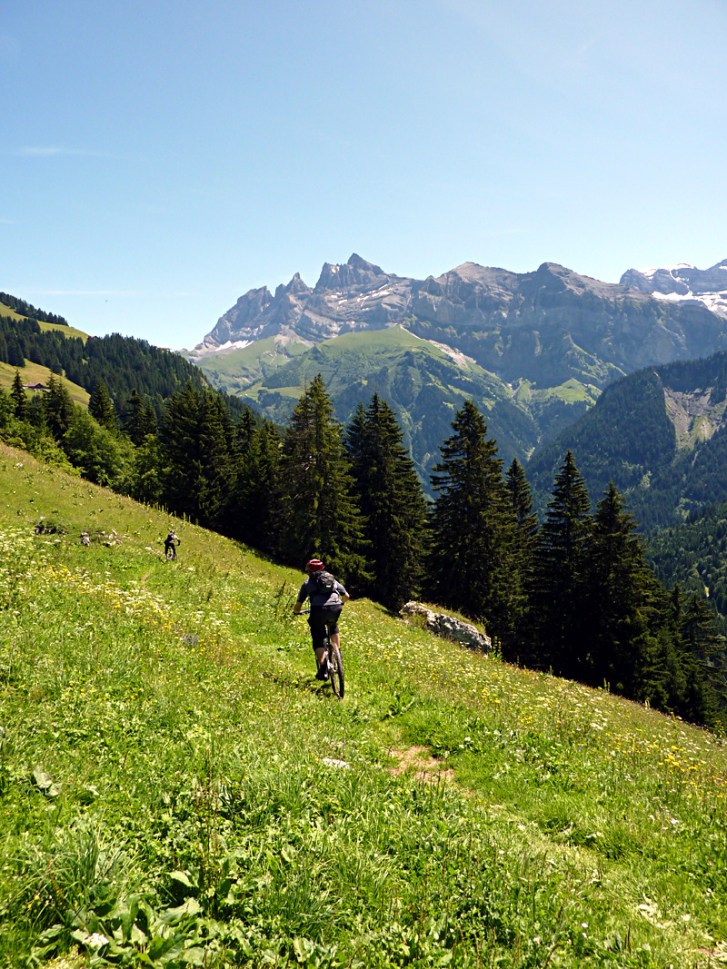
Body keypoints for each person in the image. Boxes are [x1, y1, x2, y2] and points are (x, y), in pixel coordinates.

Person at [294, 558, 350, 680]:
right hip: (336, 608)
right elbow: (346, 596)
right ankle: (338, 653)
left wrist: (296, 612)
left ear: (309, 570)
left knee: (318, 636)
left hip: (318, 610)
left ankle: (323, 669)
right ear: (322, 568)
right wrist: (340, 603)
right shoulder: (332, 579)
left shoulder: (307, 583)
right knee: (333, 625)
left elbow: (298, 605)